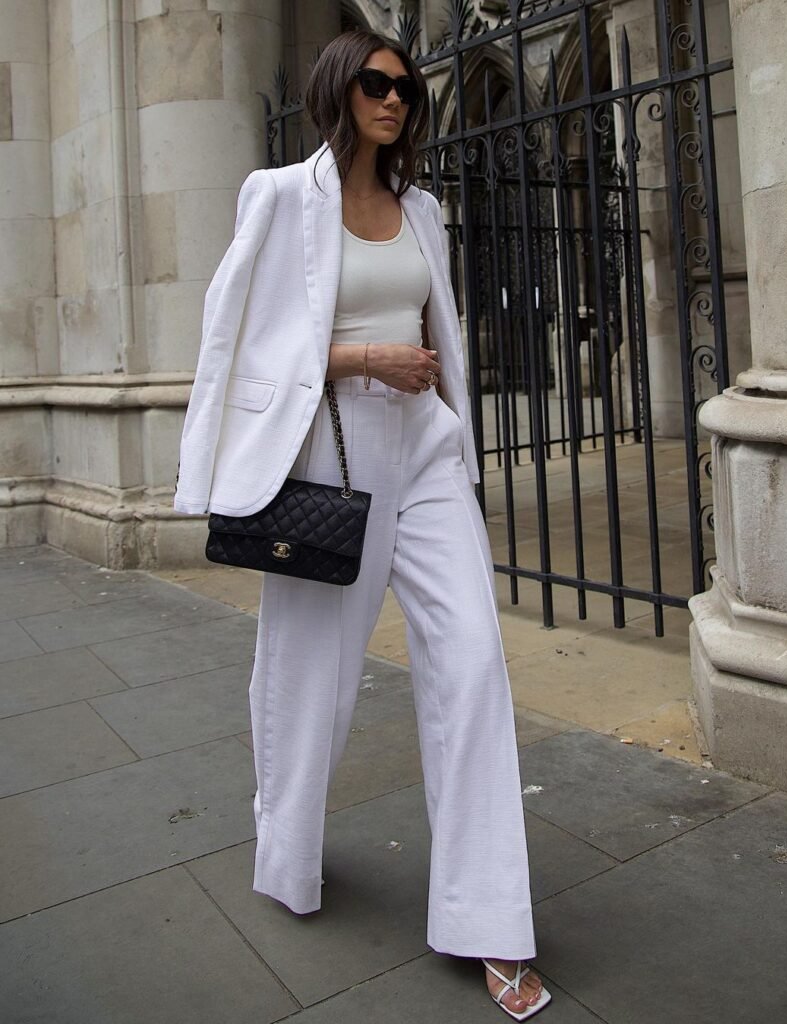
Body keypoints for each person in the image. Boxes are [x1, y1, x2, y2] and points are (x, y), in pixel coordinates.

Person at [173, 28, 550, 1020]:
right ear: (338, 92)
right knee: (309, 679)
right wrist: (362, 361)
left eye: (408, 89)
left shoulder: (423, 208)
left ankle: (492, 924)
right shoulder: (276, 199)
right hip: (326, 459)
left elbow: (435, 332)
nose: (396, 101)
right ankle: (286, 849)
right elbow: (237, 349)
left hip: (420, 451)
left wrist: (414, 376)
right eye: (379, 85)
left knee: (470, 661)